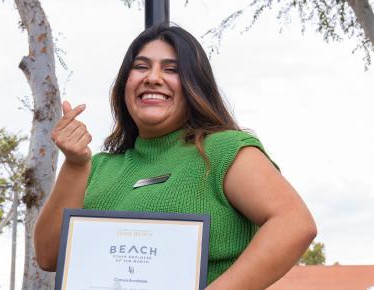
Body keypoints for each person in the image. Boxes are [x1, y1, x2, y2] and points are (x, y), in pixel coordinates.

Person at [34, 24, 317, 289]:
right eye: (141, 67)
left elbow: (294, 224)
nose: (153, 78)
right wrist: (75, 164)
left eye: (171, 69)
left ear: (195, 85)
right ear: (124, 85)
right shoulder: (97, 167)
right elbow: (49, 256)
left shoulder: (224, 150)